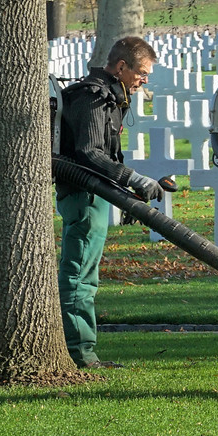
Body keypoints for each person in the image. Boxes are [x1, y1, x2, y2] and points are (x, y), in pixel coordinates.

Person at [57, 35, 175, 370]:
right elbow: (89, 153)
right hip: (83, 195)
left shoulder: (108, 96)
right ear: (121, 67)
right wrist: (132, 179)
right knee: (79, 275)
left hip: (94, 193)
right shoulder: (94, 96)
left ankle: (80, 349)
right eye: (141, 72)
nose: (144, 80)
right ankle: (80, 353)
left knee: (85, 274)